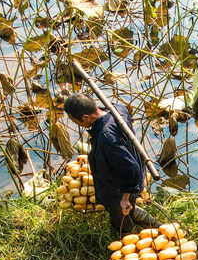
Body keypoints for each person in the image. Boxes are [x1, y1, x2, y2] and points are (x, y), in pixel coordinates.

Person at [63, 92, 160, 234]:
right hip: (131, 175)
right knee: (129, 209)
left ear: (86, 117)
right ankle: (157, 225)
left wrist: (125, 197)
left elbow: (130, 168)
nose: (76, 124)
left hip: (119, 187)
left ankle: (133, 239)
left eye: (75, 121)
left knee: (120, 219)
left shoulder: (107, 138)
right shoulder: (118, 109)